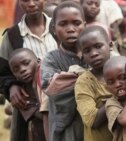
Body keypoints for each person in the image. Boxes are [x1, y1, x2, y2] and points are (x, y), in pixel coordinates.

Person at [0, 0, 57, 141]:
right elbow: (2, 72)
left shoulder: (59, 25)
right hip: (32, 110)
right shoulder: (12, 36)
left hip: (64, 102)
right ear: (19, 3)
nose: (31, 4)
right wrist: (11, 86)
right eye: (25, 0)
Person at [41, 1, 87, 141]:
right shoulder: (51, 59)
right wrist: (90, 77)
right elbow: (52, 87)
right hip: (67, 129)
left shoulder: (96, 54)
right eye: (63, 24)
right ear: (54, 29)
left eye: (76, 23)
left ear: (85, 25)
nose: (70, 29)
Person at [75, 25, 113, 141]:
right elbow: (92, 120)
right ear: (82, 56)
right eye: (87, 51)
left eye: (98, 46)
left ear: (110, 45)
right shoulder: (84, 82)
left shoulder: (125, 70)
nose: (94, 53)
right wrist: (115, 100)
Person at [9, 48, 45, 141]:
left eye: (26, 63)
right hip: (41, 135)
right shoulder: (21, 96)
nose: (22, 70)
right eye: (16, 69)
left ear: (38, 61)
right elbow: (44, 116)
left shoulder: (52, 79)